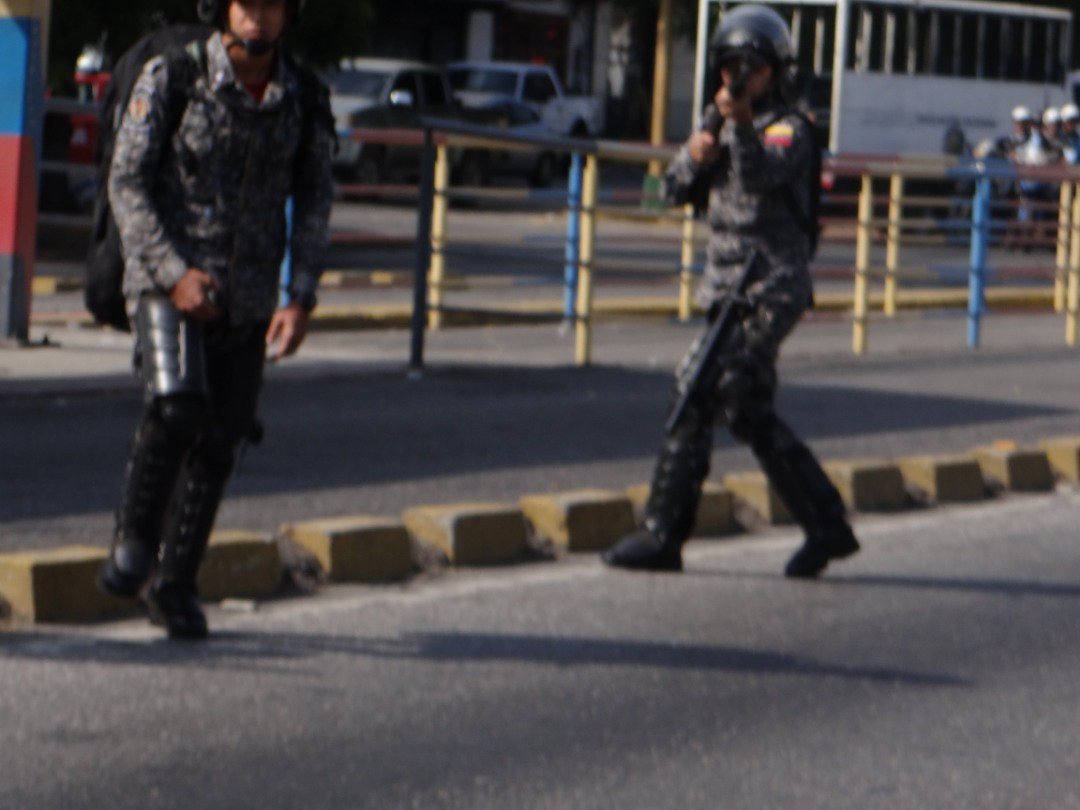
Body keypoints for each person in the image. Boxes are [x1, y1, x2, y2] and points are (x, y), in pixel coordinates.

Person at [97, 0, 333, 638]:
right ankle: (134, 540)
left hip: (249, 294)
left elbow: (314, 200)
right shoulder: (175, 77)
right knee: (177, 406)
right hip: (165, 276)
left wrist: (300, 295)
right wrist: (174, 275)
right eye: (246, 3)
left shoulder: (304, 97)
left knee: (224, 435)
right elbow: (128, 181)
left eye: (271, 5)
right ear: (222, 10)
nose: (258, 16)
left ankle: (175, 585)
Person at [602, 5, 858, 579]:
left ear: (776, 72)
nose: (740, 76)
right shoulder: (717, 122)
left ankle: (664, 534)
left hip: (770, 286)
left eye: (753, 67)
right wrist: (698, 151)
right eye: (731, 65)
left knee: (700, 393)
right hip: (725, 290)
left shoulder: (792, 128)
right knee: (745, 409)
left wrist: (739, 127)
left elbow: (761, 175)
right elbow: (669, 190)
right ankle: (828, 526)